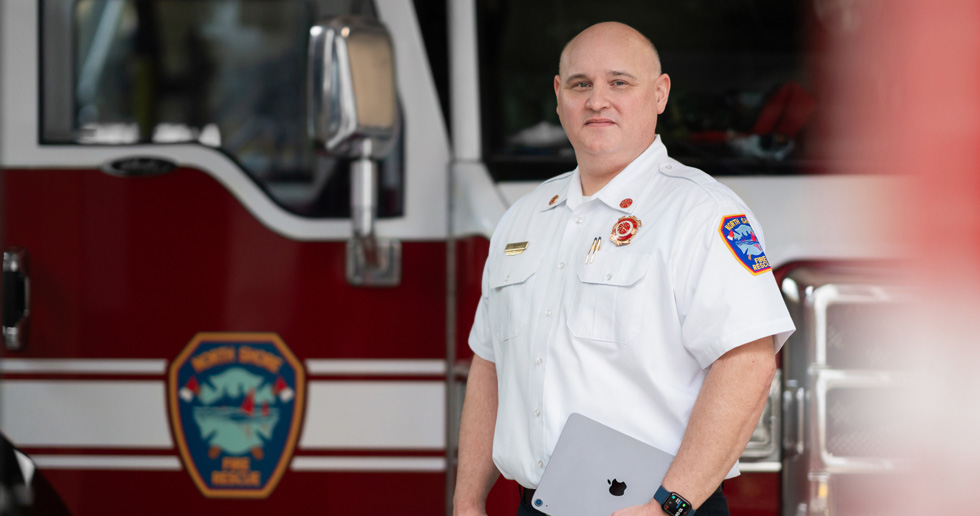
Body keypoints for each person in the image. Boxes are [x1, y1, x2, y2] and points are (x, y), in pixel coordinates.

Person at [453, 21, 795, 516]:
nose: (597, 101)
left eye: (619, 82)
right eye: (580, 84)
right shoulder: (522, 218)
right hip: (539, 505)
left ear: (659, 94)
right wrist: (467, 501)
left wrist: (669, 505)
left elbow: (748, 365)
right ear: (558, 96)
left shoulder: (703, 214)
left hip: (656, 508)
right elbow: (489, 366)